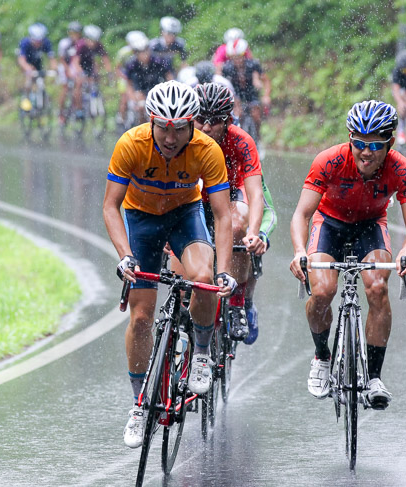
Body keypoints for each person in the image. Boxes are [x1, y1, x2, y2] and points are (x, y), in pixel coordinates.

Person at [103, 80, 235, 448]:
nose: (171, 136)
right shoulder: (131, 144)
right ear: (151, 122)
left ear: (192, 123)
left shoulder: (207, 150)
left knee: (204, 277)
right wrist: (125, 256)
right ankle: (139, 404)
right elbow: (111, 206)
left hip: (184, 215)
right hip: (141, 219)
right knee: (141, 317)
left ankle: (203, 354)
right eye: (163, 126)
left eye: (180, 128)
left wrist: (224, 270)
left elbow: (223, 216)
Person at [289, 100, 406, 410]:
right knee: (322, 291)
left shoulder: (403, 169)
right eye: (359, 143)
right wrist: (299, 252)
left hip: (370, 225)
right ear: (350, 138)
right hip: (330, 223)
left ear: (389, 142)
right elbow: (301, 214)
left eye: (374, 145)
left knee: (377, 287)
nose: (365, 152)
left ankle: (374, 377)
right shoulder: (329, 161)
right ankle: (322, 356)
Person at [183, 82, 269, 342]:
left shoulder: (242, 141)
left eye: (215, 121)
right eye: (200, 120)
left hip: (230, 194)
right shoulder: (184, 138)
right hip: (195, 195)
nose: (207, 127)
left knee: (237, 226)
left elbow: (255, 194)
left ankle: (238, 302)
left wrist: (253, 233)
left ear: (229, 121)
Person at [221, 38, 271, 140]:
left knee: (256, 114)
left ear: (244, 55)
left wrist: (266, 95)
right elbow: (223, 84)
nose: (237, 60)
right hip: (236, 94)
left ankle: (258, 137)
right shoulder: (227, 68)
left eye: (239, 57)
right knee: (237, 114)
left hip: (251, 93)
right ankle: (236, 138)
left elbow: (266, 81)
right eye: (234, 58)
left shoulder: (253, 64)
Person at [122, 33, 173, 126]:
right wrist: (133, 99)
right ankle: (142, 128)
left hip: (157, 87)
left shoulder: (158, 60)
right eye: (140, 51)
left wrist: (171, 92)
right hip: (140, 89)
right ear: (135, 53)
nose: (144, 54)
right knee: (141, 107)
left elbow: (169, 77)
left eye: (145, 50)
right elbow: (129, 85)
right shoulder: (131, 65)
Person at [17, 23, 56, 98]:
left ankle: (43, 98)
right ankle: (26, 99)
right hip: (27, 63)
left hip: (38, 63)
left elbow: (52, 58)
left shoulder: (46, 42)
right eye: (36, 41)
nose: (38, 43)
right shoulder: (25, 43)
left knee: (42, 81)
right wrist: (27, 67)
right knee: (28, 81)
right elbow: (21, 60)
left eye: (40, 41)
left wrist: (54, 69)